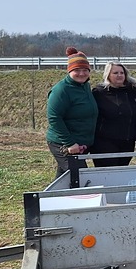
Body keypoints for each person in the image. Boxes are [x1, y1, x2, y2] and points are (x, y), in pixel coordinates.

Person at [46, 47, 98, 177]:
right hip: (63, 143)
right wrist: (69, 143)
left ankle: (51, 197)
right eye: (77, 70)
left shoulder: (85, 85)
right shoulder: (61, 90)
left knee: (64, 177)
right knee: (78, 176)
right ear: (69, 70)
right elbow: (54, 118)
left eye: (85, 70)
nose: (81, 73)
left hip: (79, 143)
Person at [91, 61, 136, 167]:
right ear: (108, 75)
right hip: (104, 143)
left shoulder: (133, 91)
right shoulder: (98, 93)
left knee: (121, 173)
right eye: (115, 73)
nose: (119, 75)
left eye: (122, 73)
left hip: (127, 143)